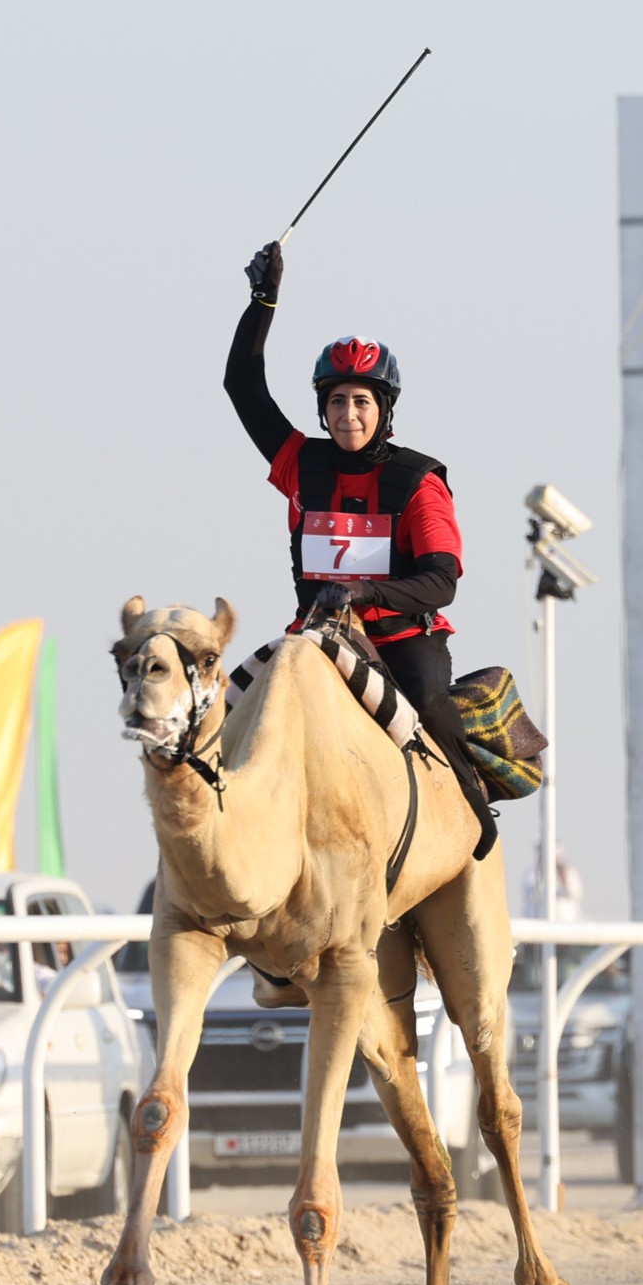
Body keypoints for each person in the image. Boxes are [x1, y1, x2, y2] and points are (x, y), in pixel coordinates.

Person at [224, 239, 499, 857]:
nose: (348, 413)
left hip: (402, 640)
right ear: (323, 409)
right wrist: (262, 300)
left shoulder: (420, 482)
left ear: (383, 409)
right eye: (337, 401)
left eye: (361, 401)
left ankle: (473, 810)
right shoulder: (299, 463)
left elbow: (442, 581)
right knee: (233, 710)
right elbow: (241, 383)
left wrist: (365, 589)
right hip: (316, 637)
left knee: (426, 698)